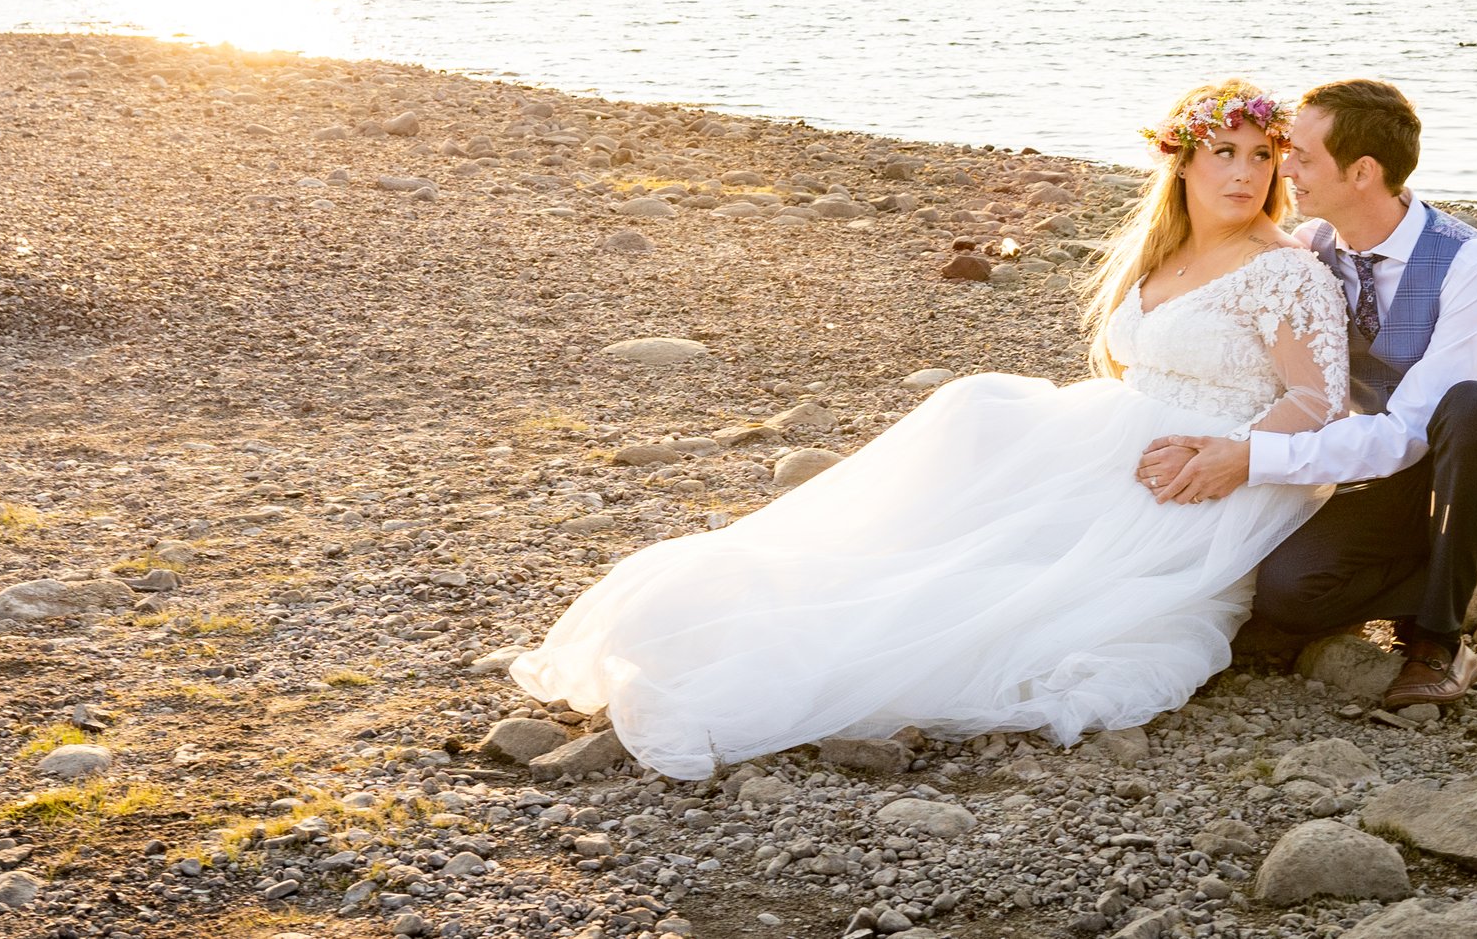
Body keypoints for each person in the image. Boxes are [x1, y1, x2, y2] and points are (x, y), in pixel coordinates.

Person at [509, 79, 1349, 780]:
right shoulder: (1164, 255)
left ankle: (843, 652)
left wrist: (1230, 456)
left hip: (1209, 475)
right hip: (1123, 441)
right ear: (1184, 162)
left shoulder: (1285, 270)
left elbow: (1319, 403)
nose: (1244, 173)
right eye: (1224, 153)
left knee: (1015, 591)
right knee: (974, 423)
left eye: (1261, 156)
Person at [1136, 78, 1477, 709]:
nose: (1283, 168)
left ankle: (1437, 637)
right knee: (1288, 595)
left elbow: (1410, 429)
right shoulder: (1314, 247)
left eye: (1302, 156)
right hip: (1374, 477)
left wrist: (1249, 458)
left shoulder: (1467, 262)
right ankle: (1425, 583)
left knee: (1470, 405)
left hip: (1469, 480)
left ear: (1363, 172)